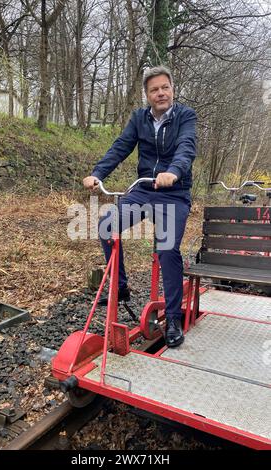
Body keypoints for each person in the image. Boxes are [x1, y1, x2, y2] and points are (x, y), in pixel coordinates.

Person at [83, 65, 197, 347]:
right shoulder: (139, 118)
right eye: (154, 89)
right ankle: (120, 287)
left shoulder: (185, 116)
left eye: (165, 87)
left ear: (172, 88)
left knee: (167, 249)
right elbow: (121, 147)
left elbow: (186, 147)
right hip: (143, 191)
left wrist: (174, 172)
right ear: (147, 95)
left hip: (174, 193)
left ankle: (172, 318)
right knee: (107, 225)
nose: (160, 93)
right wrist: (98, 174)